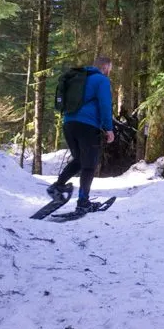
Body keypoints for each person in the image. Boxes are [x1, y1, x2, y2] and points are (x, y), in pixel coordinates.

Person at [47, 56, 115, 213]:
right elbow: (105, 104)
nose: (109, 73)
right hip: (88, 126)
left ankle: (57, 186)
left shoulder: (80, 78)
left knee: (79, 159)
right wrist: (108, 128)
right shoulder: (101, 80)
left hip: (69, 123)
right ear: (105, 68)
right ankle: (83, 202)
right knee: (89, 165)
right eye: (109, 70)